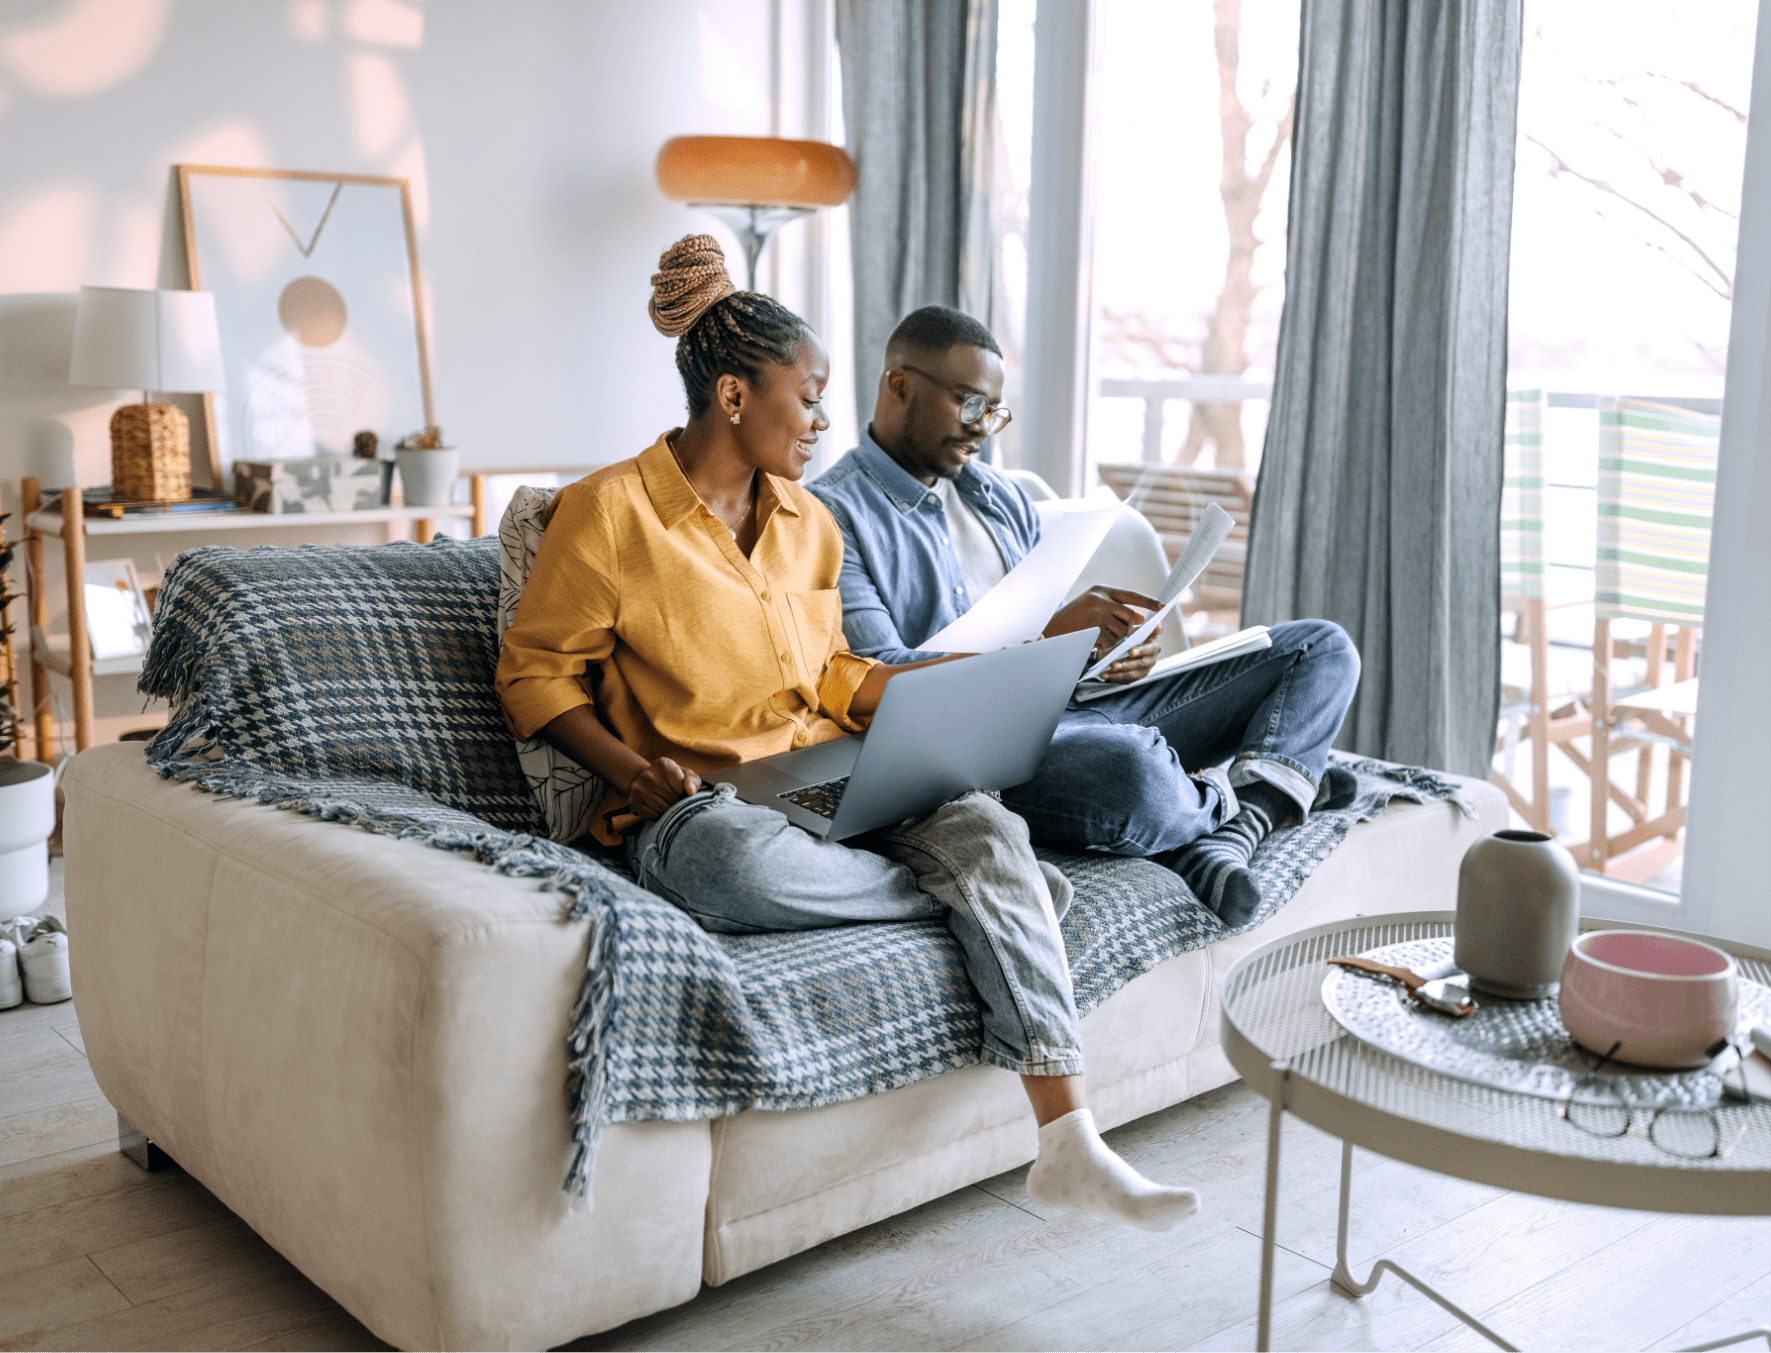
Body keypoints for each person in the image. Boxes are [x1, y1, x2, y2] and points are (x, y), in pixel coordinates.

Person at [495, 236, 1199, 1232]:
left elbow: (827, 672)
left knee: (985, 826)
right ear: (734, 397)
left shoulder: (805, 524)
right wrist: (629, 771)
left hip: (829, 768)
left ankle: (1068, 1140)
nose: (827, 418)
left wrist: (934, 695)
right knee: (731, 870)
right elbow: (534, 674)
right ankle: (987, 906)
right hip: (702, 803)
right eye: (809, 394)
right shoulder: (608, 513)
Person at [807, 306, 1360, 927]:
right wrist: (1047, 642)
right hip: (977, 752)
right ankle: (1266, 793)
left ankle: (1230, 828)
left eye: (995, 411)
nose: (983, 428)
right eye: (969, 404)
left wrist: (1101, 656)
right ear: (900, 384)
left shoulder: (1001, 497)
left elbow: (1048, 646)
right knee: (1132, 769)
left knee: (1320, 647)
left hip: (1076, 712)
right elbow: (878, 679)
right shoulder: (829, 517)